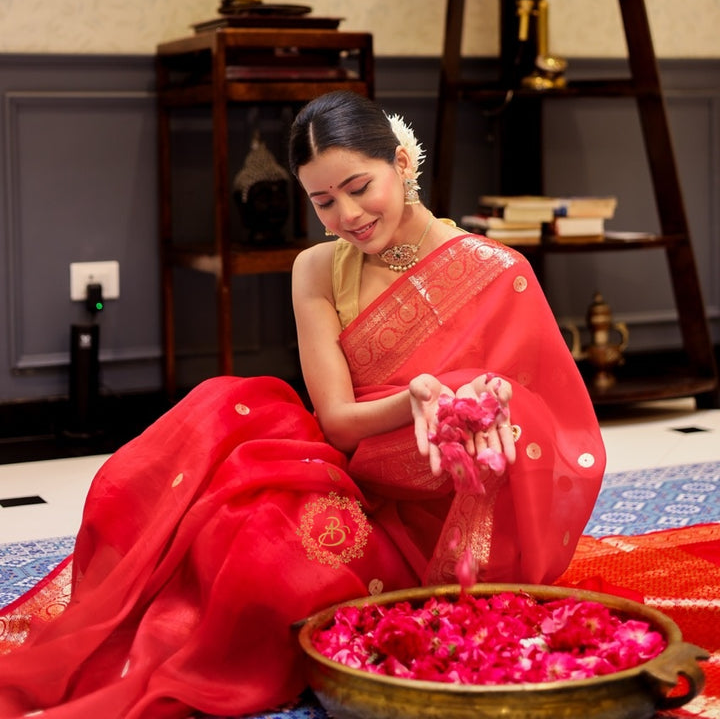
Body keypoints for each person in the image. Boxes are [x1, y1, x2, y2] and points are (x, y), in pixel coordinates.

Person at [0, 90, 605, 719]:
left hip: (442, 506)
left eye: (358, 186)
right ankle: (133, 660)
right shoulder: (317, 269)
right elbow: (339, 423)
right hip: (346, 472)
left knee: (272, 577)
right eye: (323, 201)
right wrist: (416, 396)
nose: (346, 215)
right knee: (225, 524)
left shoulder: (496, 270)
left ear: (401, 163)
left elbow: (551, 420)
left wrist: (484, 404)